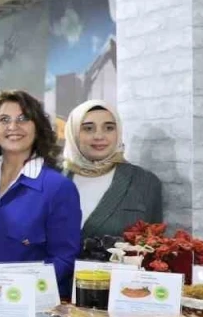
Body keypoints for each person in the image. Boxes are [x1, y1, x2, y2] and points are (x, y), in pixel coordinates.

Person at [0, 90, 82, 297]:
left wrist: (13, 292)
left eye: (23, 118)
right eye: (4, 119)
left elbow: (64, 258)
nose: (13, 126)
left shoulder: (58, 187)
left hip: (23, 305)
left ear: (38, 127)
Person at [62, 100, 164, 240]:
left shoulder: (145, 182)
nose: (99, 136)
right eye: (88, 128)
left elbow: (153, 244)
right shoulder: (49, 179)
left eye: (109, 128)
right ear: (73, 133)